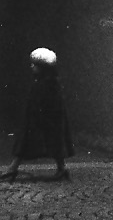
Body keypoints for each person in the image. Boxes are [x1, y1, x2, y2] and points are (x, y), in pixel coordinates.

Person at [2, 48, 74, 182]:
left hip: (45, 118)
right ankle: (13, 168)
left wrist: (39, 115)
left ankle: (13, 168)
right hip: (40, 117)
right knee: (35, 141)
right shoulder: (43, 82)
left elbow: (50, 103)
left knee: (44, 141)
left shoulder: (49, 84)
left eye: (35, 65)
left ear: (43, 68)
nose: (32, 67)